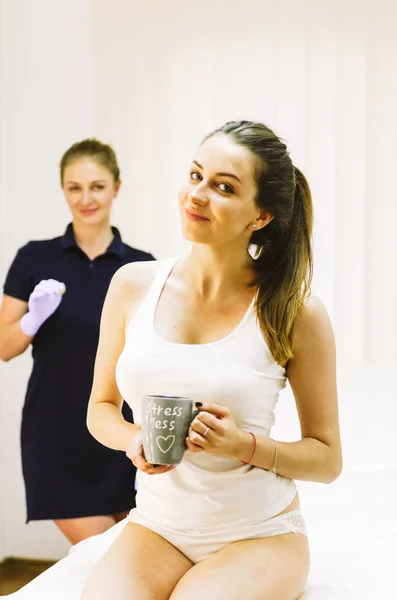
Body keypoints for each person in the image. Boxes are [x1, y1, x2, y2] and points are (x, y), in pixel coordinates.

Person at [5, 120, 342, 600]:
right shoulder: (131, 285)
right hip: (158, 527)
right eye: (195, 175)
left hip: (258, 532)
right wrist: (133, 438)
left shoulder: (293, 310)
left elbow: (327, 459)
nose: (198, 194)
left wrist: (243, 445)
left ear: (261, 215)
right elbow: (100, 408)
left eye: (224, 187)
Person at [0, 139, 154, 546]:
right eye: (74, 187)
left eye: (97, 186)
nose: (86, 198)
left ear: (117, 187)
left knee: (136, 561)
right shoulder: (34, 259)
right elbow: (4, 346)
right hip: (54, 437)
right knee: (106, 553)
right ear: (63, 190)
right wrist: (32, 319)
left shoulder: (141, 266)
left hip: (121, 434)